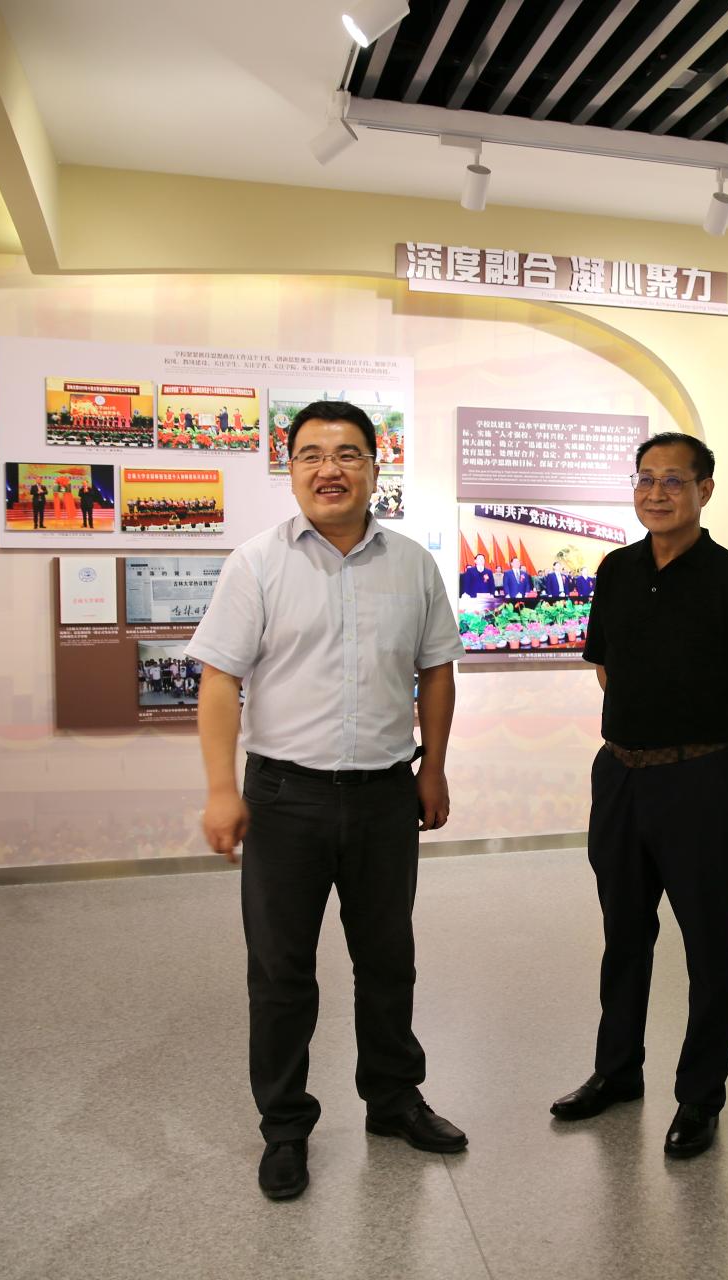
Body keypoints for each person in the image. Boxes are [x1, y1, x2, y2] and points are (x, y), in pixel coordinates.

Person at [188, 400, 467, 1201]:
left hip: (384, 795)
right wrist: (220, 788)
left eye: (347, 454)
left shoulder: (412, 565)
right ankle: (285, 1128)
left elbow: (436, 670)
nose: (329, 470)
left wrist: (433, 769)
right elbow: (220, 679)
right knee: (281, 972)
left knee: (388, 960)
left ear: (376, 469)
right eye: (310, 455)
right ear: (291, 470)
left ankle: (394, 1099)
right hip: (285, 798)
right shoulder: (256, 563)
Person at [548, 431, 728, 1159]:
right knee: (623, 934)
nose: (656, 493)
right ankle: (617, 1072)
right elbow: (607, 669)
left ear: (705, 490)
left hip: (699, 782)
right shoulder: (616, 570)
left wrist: (703, 765)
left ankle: (700, 1097)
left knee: (709, 943)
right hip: (620, 776)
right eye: (645, 479)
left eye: (673, 480)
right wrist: (643, 753)